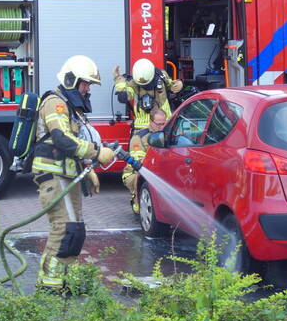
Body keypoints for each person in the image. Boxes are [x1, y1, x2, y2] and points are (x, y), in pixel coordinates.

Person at [32, 55, 115, 290]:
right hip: (53, 176)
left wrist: (87, 169)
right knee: (64, 228)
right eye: (85, 83)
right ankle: (49, 286)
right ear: (71, 80)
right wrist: (96, 153)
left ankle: (65, 280)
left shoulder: (70, 107)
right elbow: (62, 138)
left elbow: (73, 143)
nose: (88, 89)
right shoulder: (55, 102)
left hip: (67, 174)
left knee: (75, 229)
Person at [113, 58, 182, 133]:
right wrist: (119, 79)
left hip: (163, 124)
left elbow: (170, 85)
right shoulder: (133, 83)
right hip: (142, 128)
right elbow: (123, 97)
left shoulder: (161, 76)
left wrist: (177, 85)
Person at [120, 106, 167, 214]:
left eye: (163, 123)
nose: (161, 127)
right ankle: (138, 204)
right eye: (158, 124)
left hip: (158, 171)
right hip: (135, 173)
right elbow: (139, 164)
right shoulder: (139, 137)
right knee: (142, 177)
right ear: (151, 121)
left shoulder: (167, 135)